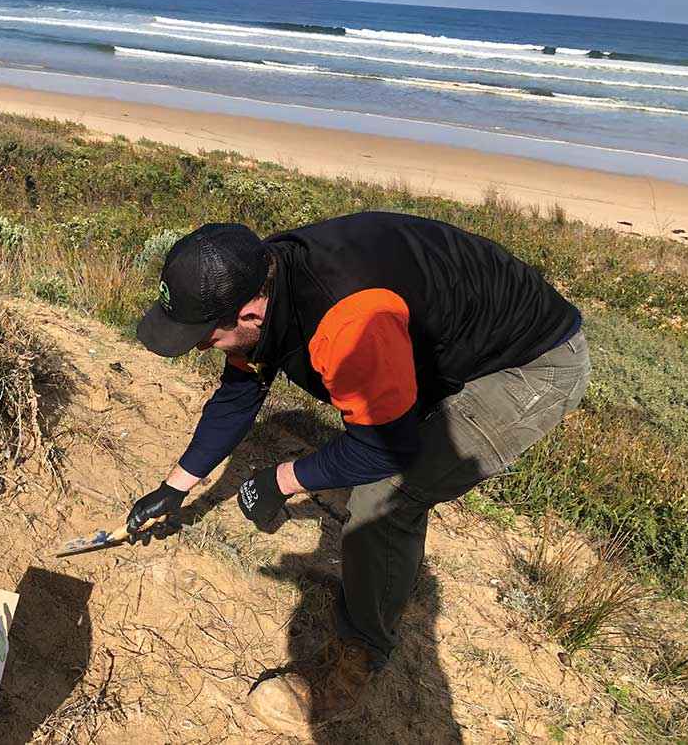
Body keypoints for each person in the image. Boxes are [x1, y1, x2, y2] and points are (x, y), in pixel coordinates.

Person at [127, 213, 590, 732]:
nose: (197, 346)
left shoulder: (347, 320)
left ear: (252, 312)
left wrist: (280, 481)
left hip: (529, 366)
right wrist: (175, 487)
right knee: (370, 458)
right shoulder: (263, 273)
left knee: (387, 496)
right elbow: (239, 394)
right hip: (448, 341)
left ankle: (360, 655)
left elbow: (386, 450)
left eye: (203, 337)